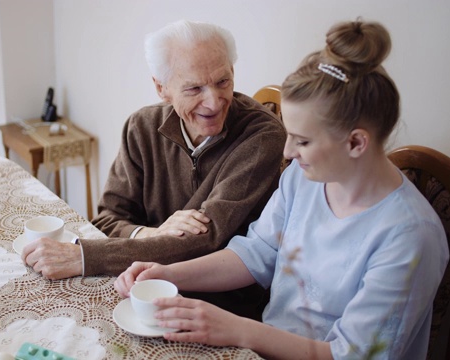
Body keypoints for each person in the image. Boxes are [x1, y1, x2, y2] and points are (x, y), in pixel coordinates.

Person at [114, 19, 448, 360]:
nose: (287, 152)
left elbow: (354, 355)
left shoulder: (409, 236)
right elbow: (256, 253)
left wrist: (235, 329)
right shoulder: (303, 179)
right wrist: (168, 273)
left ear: (356, 142)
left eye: (302, 140)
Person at [22, 20, 286, 319]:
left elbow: (205, 240)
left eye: (223, 81)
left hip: (220, 301)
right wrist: (149, 234)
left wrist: (85, 256)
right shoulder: (141, 127)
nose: (213, 102)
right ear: (162, 88)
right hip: (138, 284)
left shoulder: (261, 135)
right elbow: (108, 218)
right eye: (194, 88)